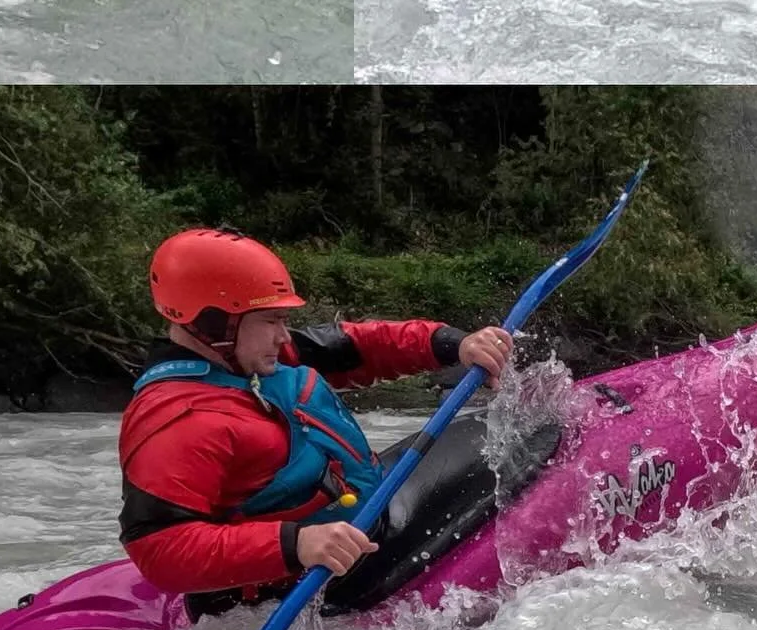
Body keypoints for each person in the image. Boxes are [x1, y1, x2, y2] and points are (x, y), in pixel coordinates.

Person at [118, 228, 516, 604]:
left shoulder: (246, 360)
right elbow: (158, 548)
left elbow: (356, 346)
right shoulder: (175, 420)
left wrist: (453, 344)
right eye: (271, 321)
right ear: (213, 324)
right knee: (523, 448)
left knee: (509, 430)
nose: (284, 337)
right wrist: (296, 544)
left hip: (365, 511)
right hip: (316, 578)